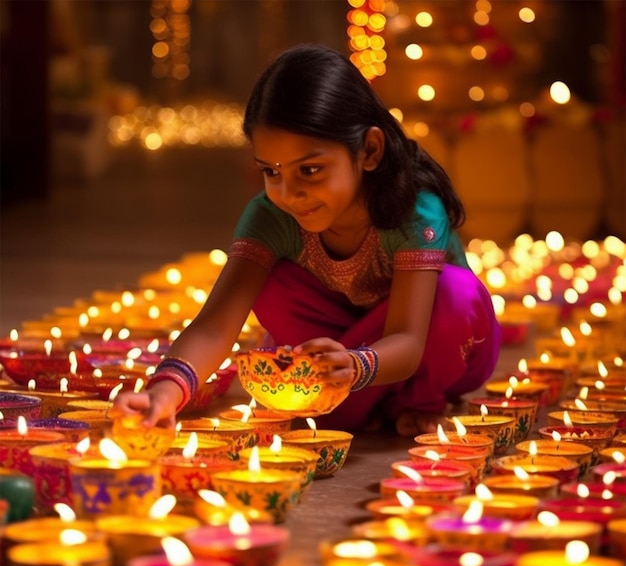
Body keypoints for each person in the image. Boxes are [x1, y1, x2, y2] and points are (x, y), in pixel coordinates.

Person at [112, 43, 501, 437]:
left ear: (369, 150)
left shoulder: (413, 209)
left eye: (310, 169)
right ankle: (355, 405)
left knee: (455, 290)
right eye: (270, 171)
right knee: (273, 282)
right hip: (342, 357)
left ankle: (415, 402)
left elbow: (409, 339)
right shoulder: (272, 216)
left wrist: (355, 365)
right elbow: (216, 326)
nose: (289, 193)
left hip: (428, 356)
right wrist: (164, 392)